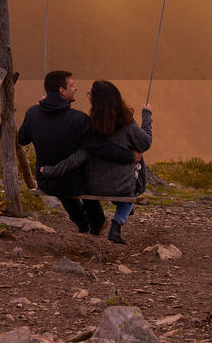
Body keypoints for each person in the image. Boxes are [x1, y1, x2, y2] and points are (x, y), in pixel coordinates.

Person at [17, 70, 136, 236]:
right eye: (72, 85)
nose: (76, 89)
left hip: (44, 179)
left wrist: (39, 109)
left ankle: (80, 221)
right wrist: (130, 156)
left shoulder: (32, 113)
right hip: (73, 183)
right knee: (83, 178)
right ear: (61, 91)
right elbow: (100, 148)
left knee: (65, 183)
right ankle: (96, 224)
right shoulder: (78, 119)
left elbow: (22, 139)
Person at [41, 80, 151, 244]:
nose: (87, 96)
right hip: (122, 187)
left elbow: (79, 156)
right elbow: (146, 142)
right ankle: (117, 224)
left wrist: (51, 171)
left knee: (132, 164)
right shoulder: (127, 123)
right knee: (139, 163)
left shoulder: (89, 124)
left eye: (89, 94)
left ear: (96, 100)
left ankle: (117, 209)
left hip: (94, 186)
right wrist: (146, 115)